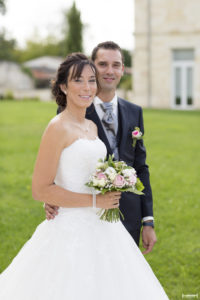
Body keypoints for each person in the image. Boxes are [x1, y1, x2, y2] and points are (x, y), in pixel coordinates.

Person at [0, 53, 169, 299]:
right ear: (63, 86)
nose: (87, 87)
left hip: (105, 227)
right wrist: (95, 201)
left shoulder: (90, 127)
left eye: (92, 80)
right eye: (78, 80)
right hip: (70, 229)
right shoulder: (57, 127)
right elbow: (40, 189)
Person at [45, 41, 157, 253]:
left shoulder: (135, 112)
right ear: (92, 67)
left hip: (129, 216)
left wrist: (148, 221)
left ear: (123, 69)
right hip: (87, 216)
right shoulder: (71, 110)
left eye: (116, 65)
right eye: (103, 64)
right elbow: (59, 158)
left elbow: (141, 167)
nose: (109, 71)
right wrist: (51, 198)